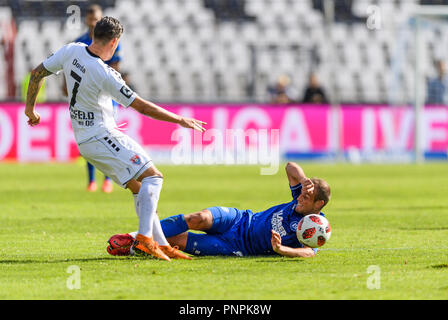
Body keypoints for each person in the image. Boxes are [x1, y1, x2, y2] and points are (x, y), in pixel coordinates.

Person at [24, 17, 206, 261]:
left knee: (139, 188)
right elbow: (142, 107)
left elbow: (37, 73)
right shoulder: (105, 73)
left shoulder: (71, 50)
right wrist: (180, 120)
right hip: (102, 136)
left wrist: (30, 110)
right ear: (114, 41)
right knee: (154, 177)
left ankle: (161, 244)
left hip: (86, 141)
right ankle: (144, 240)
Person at [107, 162, 331, 258]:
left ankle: (131, 249)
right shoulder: (299, 199)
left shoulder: (315, 228)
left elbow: (309, 253)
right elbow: (289, 167)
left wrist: (282, 250)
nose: (301, 197)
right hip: (240, 219)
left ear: (318, 205)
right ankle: (133, 237)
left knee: (176, 242)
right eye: (302, 193)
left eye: (307, 196)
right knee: (199, 217)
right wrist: (303, 180)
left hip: (235, 246)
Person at [64, 4, 122, 193]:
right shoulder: (80, 41)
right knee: (88, 137)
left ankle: (108, 179)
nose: (93, 20)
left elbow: (115, 70)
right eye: (91, 18)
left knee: (108, 136)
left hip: (105, 96)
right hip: (86, 96)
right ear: (87, 20)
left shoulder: (113, 41)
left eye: (96, 18)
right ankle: (91, 180)